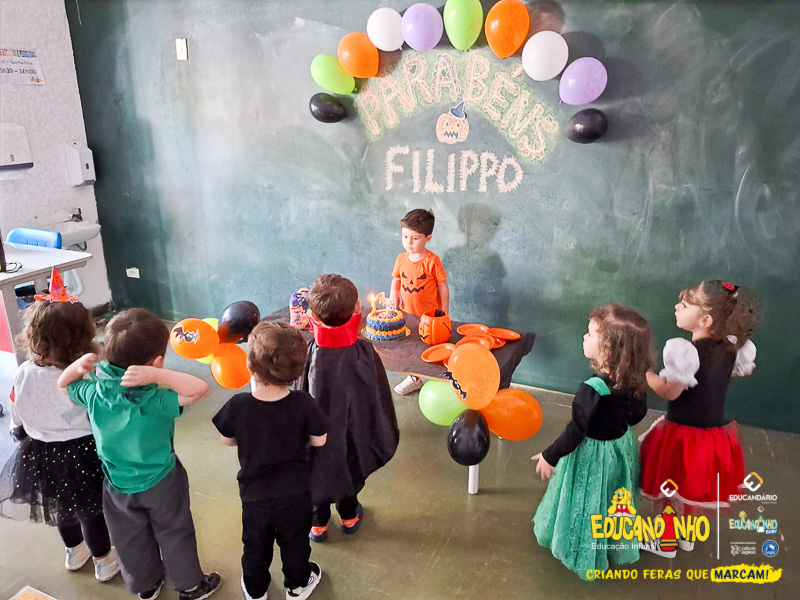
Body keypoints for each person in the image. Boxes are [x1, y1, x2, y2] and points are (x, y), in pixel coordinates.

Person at [58, 308, 221, 600]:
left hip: (116, 483)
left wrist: (76, 367)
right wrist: (160, 375)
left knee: (128, 538)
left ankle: (146, 586)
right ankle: (190, 586)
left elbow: (64, 384)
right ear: (156, 361)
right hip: (162, 480)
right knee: (175, 532)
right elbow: (200, 389)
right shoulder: (154, 397)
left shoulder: (95, 392)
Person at [0, 278, 120, 583]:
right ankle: (104, 561)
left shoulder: (24, 372)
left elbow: (16, 408)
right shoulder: (88, 375)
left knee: (62, 507)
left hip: (40, 452)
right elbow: (100, 414)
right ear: (84, 337)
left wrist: (18, 432)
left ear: (34, 335)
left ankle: (74, 552)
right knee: (91, 511)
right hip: (84, 452)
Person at [639, 280, 760, 557]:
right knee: (691, 486)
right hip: (713, 436)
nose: (676, 307)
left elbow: (670, 391)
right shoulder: (731, 348)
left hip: (683, 434)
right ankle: (686, 536)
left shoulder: (686, 352)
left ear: (705, 320)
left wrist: (646, 375)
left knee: (670, 488)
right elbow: (744, 371)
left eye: (685, 304)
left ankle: (665, 542)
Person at [532, 303, 652, 580]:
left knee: (589, 498)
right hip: (619, 449)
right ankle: (612, 541)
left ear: (608, 350)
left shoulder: (592, 389)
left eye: (590, 333)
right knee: (611, 496)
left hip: (593, 455)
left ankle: (583, 549)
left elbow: (576, 430)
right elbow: (637, 415)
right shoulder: (633, 381)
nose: (584, 337)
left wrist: (550, 455)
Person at [213, 321, 327, 600]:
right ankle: (297, 586)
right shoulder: (304, 402)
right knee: (296, 543)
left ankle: (255, 590)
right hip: (296, 493)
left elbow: (226, 440)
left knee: (255, 545)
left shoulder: (238, 405)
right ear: (297, 369)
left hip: (255, 495)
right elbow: (319, 441)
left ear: (250, 366)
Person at [300, 274, 399, 543]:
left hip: (316, 436)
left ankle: (317, 525)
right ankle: (348, 518)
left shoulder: (309, 353)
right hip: (350, 432)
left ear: (313, 315)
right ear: (358, 308)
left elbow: (300, 394)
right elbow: (376, 399)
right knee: (349, 461)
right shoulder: (364, 353)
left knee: (316, 469)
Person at [388, 209, 449, 395]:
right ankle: (413, 378)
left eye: (415, 238)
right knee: (409, 346)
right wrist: (393, 293)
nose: (409, 242)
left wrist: (444, 311)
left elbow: (443, 287)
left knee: (426, 347)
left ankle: (435, 377)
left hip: (429, 317)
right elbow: (396, 279)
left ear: (427, 238)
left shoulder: (432, 261)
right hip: (407, 313)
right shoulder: (401, 258)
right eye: (405, 237)